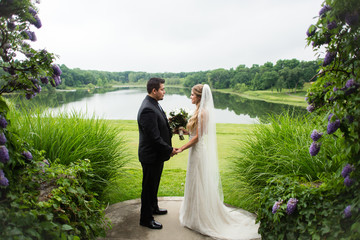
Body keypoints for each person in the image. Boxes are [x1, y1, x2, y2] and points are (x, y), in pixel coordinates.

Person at [176, 84, 260, 239]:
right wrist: (182, 131)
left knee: (198, 181)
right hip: (195, 151)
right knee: (195, 180)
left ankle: (200, 217)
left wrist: (182, 148)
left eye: (192, 94)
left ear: (199, 97)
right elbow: (194, 132)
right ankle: (192, 213)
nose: (190, 97)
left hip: (198, 152)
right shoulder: (197, 111)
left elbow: (199, 136)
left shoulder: (203, 112)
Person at [137, 78, 178, 230]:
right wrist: (169, 150)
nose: (164, 91)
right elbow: (154, 138)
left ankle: (153, 208)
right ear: (154, 91)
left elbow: (160, 126)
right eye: (162, 89)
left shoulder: (153, 103)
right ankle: (146, 219)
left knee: (154, 185)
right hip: (151, 156)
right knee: (148, 188)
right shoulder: (148, 108)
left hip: (156, 156)